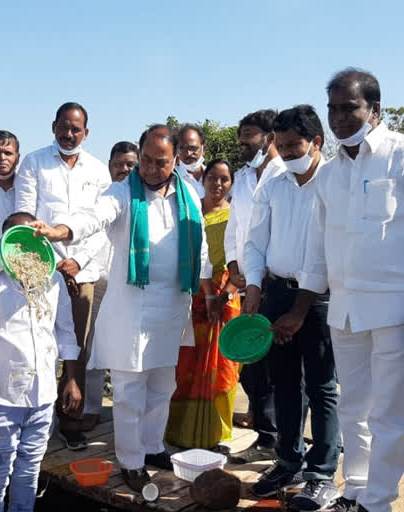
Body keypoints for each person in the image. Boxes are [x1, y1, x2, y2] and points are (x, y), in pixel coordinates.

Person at [296, 69, 404, 512]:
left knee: (389, 415)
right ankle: (355, 491)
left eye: (349, 107)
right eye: (332, 108)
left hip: (398, 311)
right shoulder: (328, 175)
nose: (339, 117)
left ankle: (378, 502)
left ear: (375, 110)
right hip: (345, 311)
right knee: (353, 409)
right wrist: (301, 305)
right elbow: (318, 248)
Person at [31, 124, 214, 492]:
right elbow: (93, 216)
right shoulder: (122, 193)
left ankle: (152, 446)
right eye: (144, 160)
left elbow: (202, 245)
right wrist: (61, 230)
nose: (148, 169)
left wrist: (206, 287)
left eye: (159, 163)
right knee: (130, 390)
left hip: (172, 306)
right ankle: (131, 461)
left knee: (163, 384)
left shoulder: (189, 194)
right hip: (133, 309)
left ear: (175, 160)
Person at [242, 106, 341, 510]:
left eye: (292, 146)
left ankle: (321, 473)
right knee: (283, 383)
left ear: (316, 142)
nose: (284, 153)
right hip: (277, 292)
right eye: (279, 146)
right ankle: (288, 461)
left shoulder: (335, 181)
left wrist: (300, 311)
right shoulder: (274, 179)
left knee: (321, 386)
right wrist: (252, 287)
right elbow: (255, 240)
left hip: (319, 299)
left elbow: (326, 252)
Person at [0, 211, 81, 512]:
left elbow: (64, 330)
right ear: (5, 240)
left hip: (43, 393)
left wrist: (71, 377)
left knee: (29, 470)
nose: (26, 249)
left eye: (33, 240)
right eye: (17, 240)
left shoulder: (50, 281)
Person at [15, 102, 111, 450]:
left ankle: (71, 422)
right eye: (64, 127)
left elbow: (101, 224)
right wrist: (52, 264)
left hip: (82, 270)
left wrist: (78, 261)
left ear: (86, 132)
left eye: (76, 129)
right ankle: (34, 420)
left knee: (78, 350)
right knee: (35, 343)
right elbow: (24, 216)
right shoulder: (34, 163)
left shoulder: (99, 171)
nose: (69, 135)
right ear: (53, 126)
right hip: (39, 269)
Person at [166, 158, 241, 453]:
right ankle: (179, 429)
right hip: (193, 296)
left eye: (224, 179)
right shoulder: (191, 212)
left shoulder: (237, 216)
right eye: (213, 178)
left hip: (227, 298)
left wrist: (228, 290)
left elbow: (244, 257)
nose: (218, 184)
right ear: (203, 179)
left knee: (224, 367)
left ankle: (221, 433)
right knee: (185, 365)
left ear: (231, 183)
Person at [225, 109, 285, 464]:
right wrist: (234, 266)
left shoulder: (286, 175)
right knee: (252, 367)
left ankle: (284, 441)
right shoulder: (243, 178)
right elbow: (235, 229)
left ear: (270, 137)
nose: (242, 142)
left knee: (281, 366)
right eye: (241, 134)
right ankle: (266, 436)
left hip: (276, 285)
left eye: (249, 134)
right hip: (247, 286)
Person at [81, 141, 139, 430]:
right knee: (94, 349)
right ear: (110, 165)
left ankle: (127, 413)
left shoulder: (143, 199)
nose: (125, 170)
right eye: (119, 164)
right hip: (99, 282)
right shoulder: (100, 198)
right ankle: (91, 407)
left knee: (128, 352)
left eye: (131, 164)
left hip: (133, 288)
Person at [175, 124, 207, 197]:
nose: (188, 153)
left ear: (204, 149)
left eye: (193, 148)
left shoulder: (215, 177)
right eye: (182, 148)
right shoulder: (173, 179)